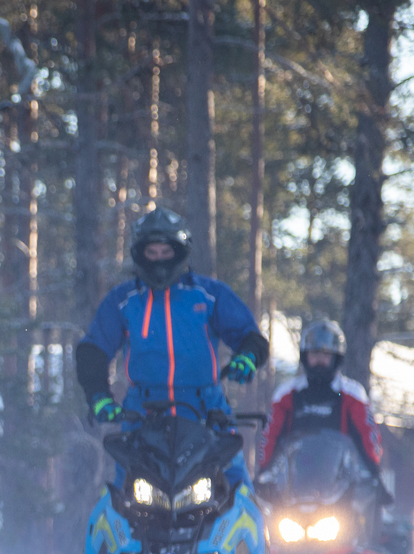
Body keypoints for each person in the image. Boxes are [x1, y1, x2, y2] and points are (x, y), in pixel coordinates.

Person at [75, 207, 270, 488]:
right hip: (143, 416)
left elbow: (248, 335)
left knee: (239, 491)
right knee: (121, 496)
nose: (159, 261)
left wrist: (247, 357)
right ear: (139, 254)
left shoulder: (209, 294)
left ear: (181, 252)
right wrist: (98, 396)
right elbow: (93, 349)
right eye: (151, 253)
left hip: (206, 412)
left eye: (166, 253)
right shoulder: (124, 300)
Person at [260, 318, 382, 473]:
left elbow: (368, 437)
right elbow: (270, 437)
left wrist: (374, 473)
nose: (320, 359)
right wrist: (264, 472)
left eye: (326, 354)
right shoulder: (287, 393)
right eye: (315, 353)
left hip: (342, 482)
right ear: (305, 356)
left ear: (336, 357)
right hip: (293, 482)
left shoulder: (352, 394)